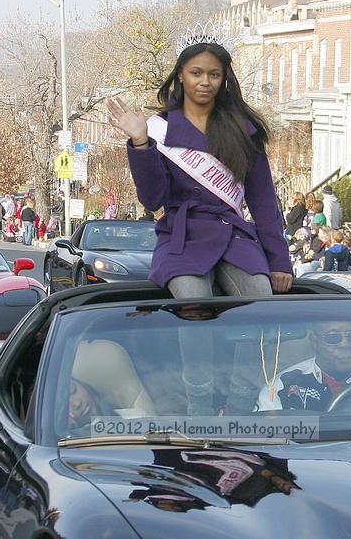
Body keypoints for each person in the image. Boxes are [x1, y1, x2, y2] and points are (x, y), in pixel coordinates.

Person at [107, 25, 293, 415]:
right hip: (182, 235)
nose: (204, 82)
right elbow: (152, 198)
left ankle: (242, 405)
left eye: (213, 74)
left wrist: (279, 260)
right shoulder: (159, 129)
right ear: (180, 76)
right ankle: (200, 410)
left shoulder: (244, 130)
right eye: (196, 73)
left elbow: (262, 201)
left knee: (262, 301)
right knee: (192, 301)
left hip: (234, 236)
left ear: (224, 79)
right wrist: (140, 143)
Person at [256, 320, 351, 411]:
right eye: (333, 337)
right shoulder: (281, 387)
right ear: (314, 342)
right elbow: (264, 438)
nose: (345, 344)